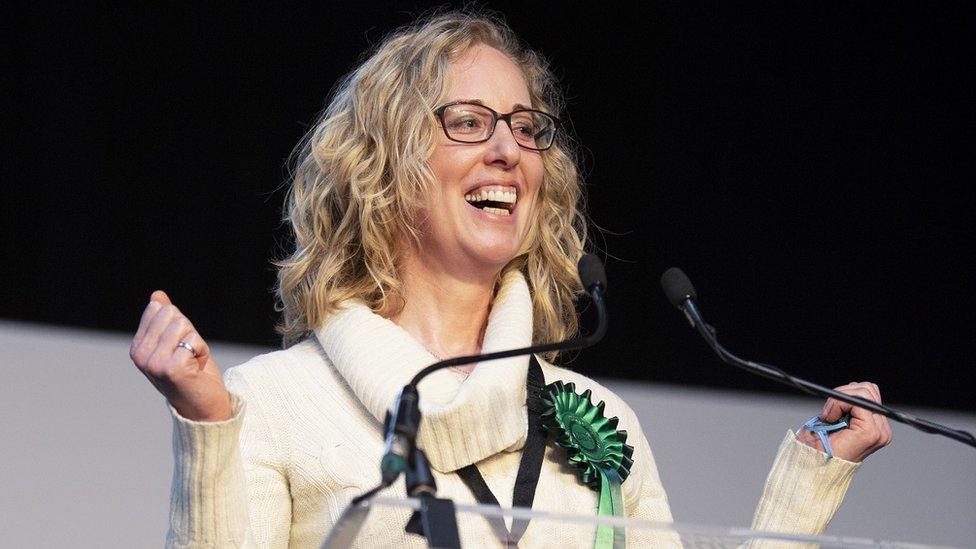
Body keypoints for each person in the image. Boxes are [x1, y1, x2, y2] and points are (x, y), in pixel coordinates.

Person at [129, 11, 891, 548]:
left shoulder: (596, 419)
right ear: (384, 166)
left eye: (525, 127)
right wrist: (206, 423)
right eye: (468, 120)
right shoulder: (272, 405)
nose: (507, 149)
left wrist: (814, 469)